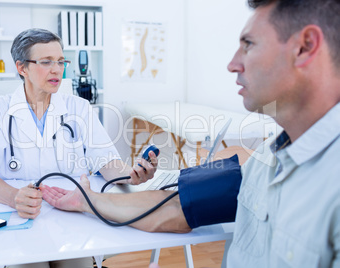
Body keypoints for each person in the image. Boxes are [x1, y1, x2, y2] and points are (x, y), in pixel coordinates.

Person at [40, 0, 340, 266]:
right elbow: (173, 206)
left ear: (305, 47)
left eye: (248, 44)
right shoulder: (262, 161)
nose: (232, 64)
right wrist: (84, 200)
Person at [0, 28, 157, 268]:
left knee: (78, 263)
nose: (57, 69)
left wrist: (131, 175)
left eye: (61, 61)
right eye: (46, 62)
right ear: (22, 68)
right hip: (20, 216)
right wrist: (14, 198)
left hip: (71, 216)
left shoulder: (80, 108)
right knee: (30, 264)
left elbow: (106, 162)